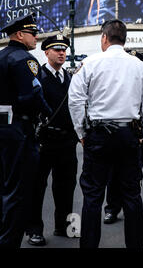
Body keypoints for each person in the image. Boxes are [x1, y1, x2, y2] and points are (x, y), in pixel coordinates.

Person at [68, 19, 143, 248]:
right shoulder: (140, 66)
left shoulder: (90, 62)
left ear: (104, 38)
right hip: (128, 134)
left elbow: (76, 100)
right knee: (131, 194)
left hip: (98, 134)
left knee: (93, 196)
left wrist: (81, 132)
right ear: (124, 40)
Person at [0, 14, 52, 248]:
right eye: (33, 33)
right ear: (20, 35)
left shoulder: (2, 57)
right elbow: (32, 96)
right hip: (19, 131)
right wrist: (47, 112)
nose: (36, 37)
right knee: (18, 192)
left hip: (3, 126)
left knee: (5, 186)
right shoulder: (25, 59)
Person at [25, 35, 79, 246]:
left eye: (64, 49)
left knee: (66, 186)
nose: (61, 53)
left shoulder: (71, 77)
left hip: (67, 141)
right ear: (46, 52)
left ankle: (64, 225)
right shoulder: (38, 75)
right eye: (56, 50)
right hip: (44, 141)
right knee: (37, 187)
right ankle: (34, 230)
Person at [103, 51, 143, 225]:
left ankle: (131, 209)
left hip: (140, 140)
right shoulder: (120, 86)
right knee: (113, 175)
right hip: (119, 136)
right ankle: (112, 209)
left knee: (133, 176)